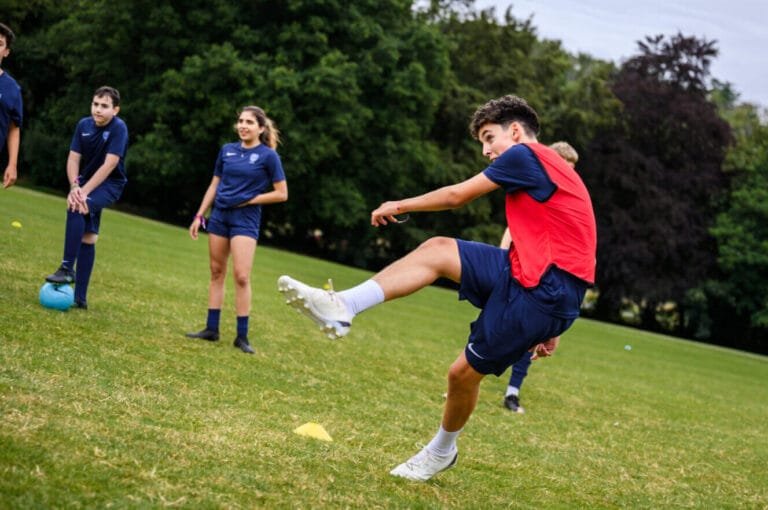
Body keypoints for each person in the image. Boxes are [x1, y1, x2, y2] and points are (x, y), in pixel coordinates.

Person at [277, 95, 596, 481]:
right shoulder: (550, 168)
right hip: (535, 277)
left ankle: (442, 451)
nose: (485, 151)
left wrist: (399, 204)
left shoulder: (526, 154)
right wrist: (557, 320)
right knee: (438, 250)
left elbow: (457, 196)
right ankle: (343, 305)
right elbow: (576, 239)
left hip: (543, 290)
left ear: (515, 131)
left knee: (461, 375)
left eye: (489, 138)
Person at [186, 106, 287, 355]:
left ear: (260, 128)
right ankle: (211, 329)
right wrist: (200, 215)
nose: (243, 125)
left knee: (241, 276)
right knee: (216, 271)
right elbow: (214, 185)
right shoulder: (227, 150)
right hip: (220, 216)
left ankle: (242, 336)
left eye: (249, 122)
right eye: (240, 121)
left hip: (246, 220)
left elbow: (281, 193)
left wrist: (251, 200)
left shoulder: (268, 156)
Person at [501, 140, 579, 414]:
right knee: (490, 327)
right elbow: (513, 229)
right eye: (564, 168)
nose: (568, 176)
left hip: (546, 280)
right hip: (517, 269)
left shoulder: (570, 202)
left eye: (572, 171)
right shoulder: (534, 189)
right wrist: (502, 261)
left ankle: (512, 392)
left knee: (531, 335)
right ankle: (463, 381)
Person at [45, 86, 129, 311]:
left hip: (110, 183)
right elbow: (73, 159)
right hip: (85, 183)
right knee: (89, 237)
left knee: (76, 207)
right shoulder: (83, 125)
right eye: (95, 104)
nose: (98, 110)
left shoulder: (119, 128)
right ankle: (80, 298)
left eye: (104, 106)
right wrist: (75, 186)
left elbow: (110, 164)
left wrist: (82, 193)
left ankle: (66, 269)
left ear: (115, 110)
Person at [0, 22, 22, 189]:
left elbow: (14, 127)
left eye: (0, 44)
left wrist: (12, 164)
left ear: (6, 51)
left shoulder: (12, 88)